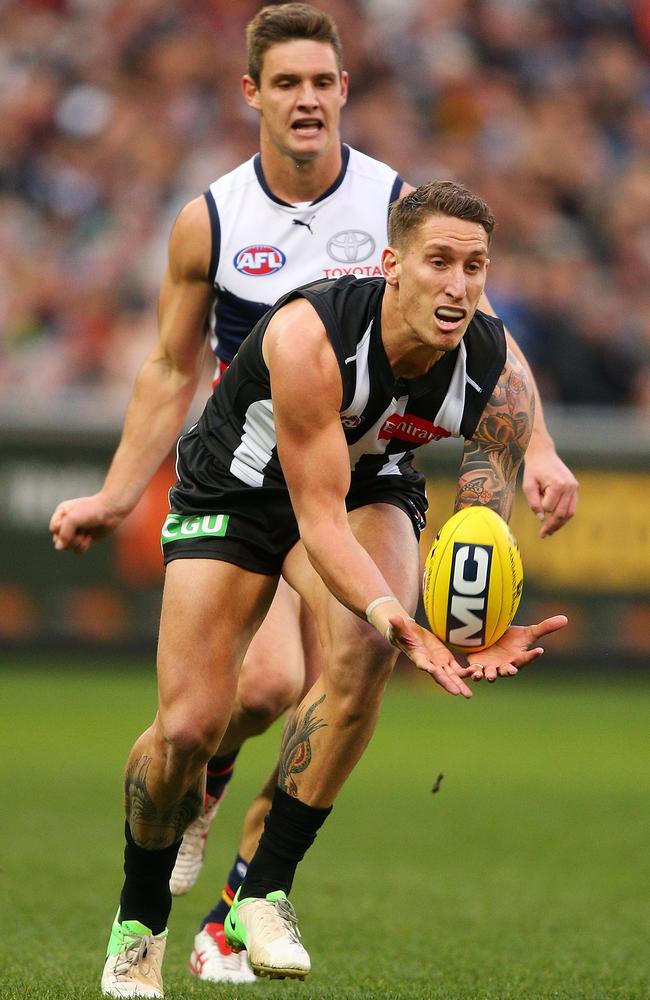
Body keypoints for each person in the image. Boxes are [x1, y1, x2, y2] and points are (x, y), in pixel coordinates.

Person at [48, 2, 577, 989]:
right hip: (247, 465)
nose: (305, 98)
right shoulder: (211, 219)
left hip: (360, 460)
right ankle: (146, 902)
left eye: (321, 81)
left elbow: (491, 364)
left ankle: (255, 894)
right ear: (250, 91)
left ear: (344, 91)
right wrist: (119, 493)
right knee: (217, 708)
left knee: (358, 654)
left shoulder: (406, 207)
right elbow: (168, 369)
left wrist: (521, 475)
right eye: (284, 81)